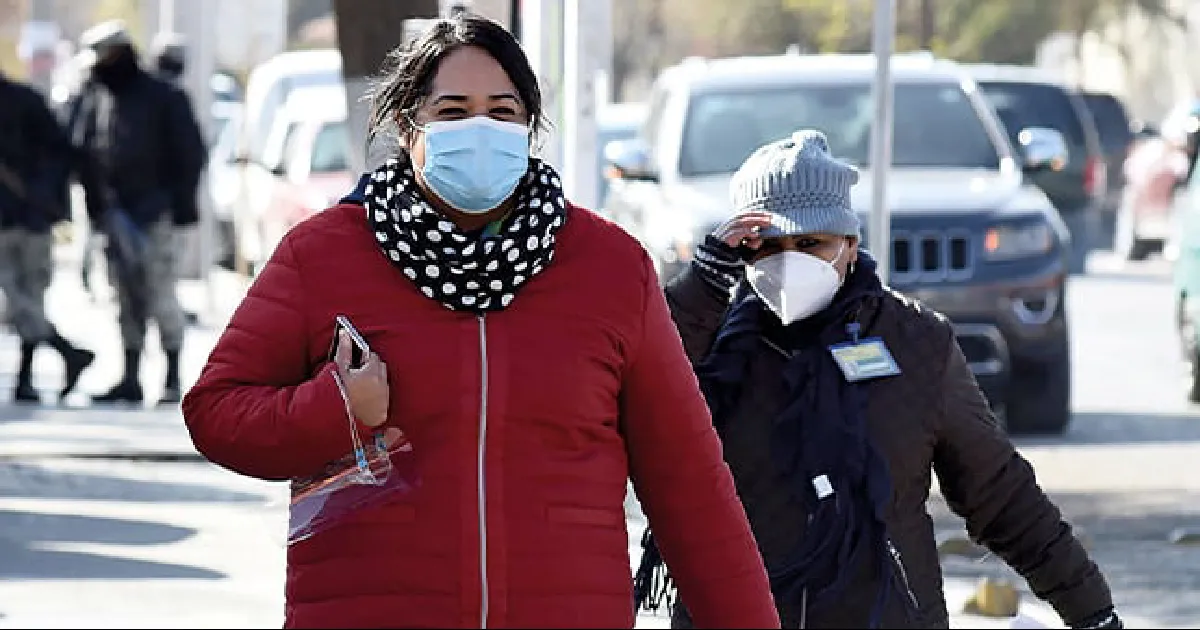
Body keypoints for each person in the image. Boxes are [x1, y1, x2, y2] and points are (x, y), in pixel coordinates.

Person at [181, 13, 779, 629]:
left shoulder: (609, 267)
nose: (480, 128)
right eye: (453, 111)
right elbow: (216, 412)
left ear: (529, 127)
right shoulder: (324, 257)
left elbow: (691, 488)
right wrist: (336, 410)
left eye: (502, 110)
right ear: (406, 126)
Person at [636, 129, 1123, 629]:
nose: (788, 261)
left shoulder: (914, 342)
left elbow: (1000, 494)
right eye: (767, 247)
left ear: (849, 244)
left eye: (810, 243)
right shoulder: (709, 343)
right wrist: (702, 285)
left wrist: (1092, 613)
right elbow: (637, 395)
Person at [66, 20, 208, 406]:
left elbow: (189, 156)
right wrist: (98, 209)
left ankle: (171, 379)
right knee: (123, 298)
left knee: (161, 294)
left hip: (156, 215)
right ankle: (129, 377)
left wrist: (178, 206)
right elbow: (86, 151)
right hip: (115, 218)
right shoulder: (98, 96)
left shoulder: (164, 97)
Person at [0, 68, 95, 403]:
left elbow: (60, 155)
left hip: (29, 219)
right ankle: (65, 354)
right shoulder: (28, 100)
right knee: (18, 300)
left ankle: (30, 375)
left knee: (25, 299)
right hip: (14, 219)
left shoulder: (27, 103)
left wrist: (40, 195)